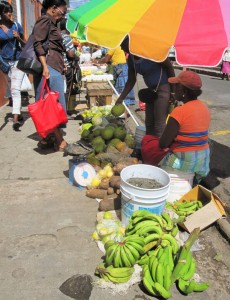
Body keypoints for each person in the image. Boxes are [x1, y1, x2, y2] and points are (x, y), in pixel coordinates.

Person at [141, 70, 210, 183]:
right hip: (202, 158)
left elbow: (163, 143)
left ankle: (154, 171)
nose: (173, 90)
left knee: (148, 141)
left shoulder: (179, 111)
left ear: (184, 91)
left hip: (184, 160)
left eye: (176, 87)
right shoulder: (204, 108)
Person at [115, 36, 175, 137]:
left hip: (163, 89)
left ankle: (162, 151)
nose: (121, 48)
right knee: (149, 124)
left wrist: (173, 91)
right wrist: (121, 99)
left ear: (131, 43)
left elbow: (169, 68)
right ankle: (149, 148)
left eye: (123, 45)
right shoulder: (131, 59)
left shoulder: (151, 51)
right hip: (151, 92)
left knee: (159, 124)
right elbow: (131, 80)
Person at [33, 0, 68, 151]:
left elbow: (52, 46)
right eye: (62, 11)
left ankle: (45, 140)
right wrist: (46, 66)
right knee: (54, 105)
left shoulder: (51, 23)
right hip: (49, 68)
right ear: (53, 8)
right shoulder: (45, 20)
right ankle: (59, 141)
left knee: (48, 103)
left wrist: (62, 62)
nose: (63, 15)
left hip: (54, 66)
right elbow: (38, 43)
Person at [0, 1, 26, 131]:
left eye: (10, 11)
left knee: (15, 90)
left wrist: (18, 38)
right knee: (11, 90)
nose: (9, 14)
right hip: (4, 63)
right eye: (6, 11)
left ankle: (15, 120)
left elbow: (25, 44)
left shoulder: (16, 25)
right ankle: (19, 114)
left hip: (18, 61)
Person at [59, 18, 80, 110]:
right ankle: (64, 111)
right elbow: (71, 54)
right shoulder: (66, 37)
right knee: (66, 90)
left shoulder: (57, 35)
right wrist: (77, 57)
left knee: (60, 90)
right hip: (66, 67)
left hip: (58, 66)